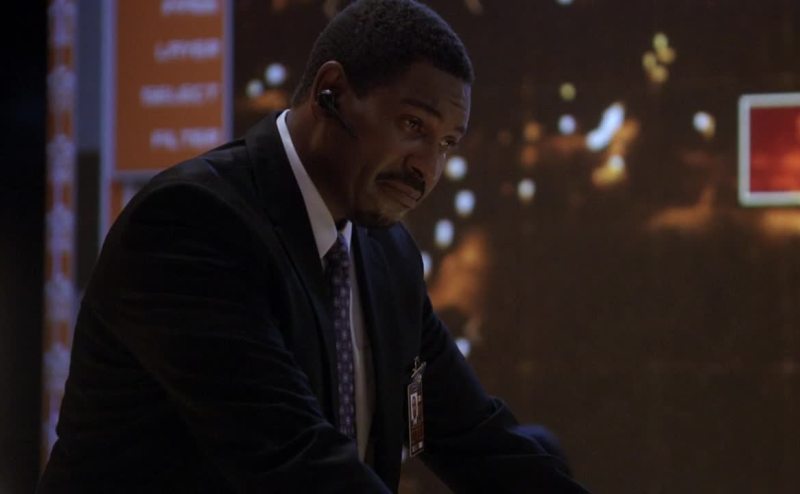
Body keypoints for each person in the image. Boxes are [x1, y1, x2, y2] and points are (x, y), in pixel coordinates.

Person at [38, 1, 590, 492]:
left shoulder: (389, 256)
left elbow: (468, 435)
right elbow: (292, 458)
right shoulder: (191, 222)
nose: (428, 167)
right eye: (412, 125)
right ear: (331, 93)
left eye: (446, 143)